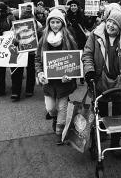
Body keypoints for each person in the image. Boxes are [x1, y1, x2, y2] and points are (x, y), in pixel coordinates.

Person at [82, 11, 121, 153]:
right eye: (109, 21)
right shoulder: (95, 35)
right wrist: (89, 71)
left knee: (118, 116)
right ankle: (100, 136)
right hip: (99, 80)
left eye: (115, 24)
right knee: (101, 113)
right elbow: (87, 55)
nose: (111, 25)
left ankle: (115, 144)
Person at [35, 9, 78, 144]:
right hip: (48, 82)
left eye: (58, 22)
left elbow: (74, 59)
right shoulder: (43, 39)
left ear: (62, 23)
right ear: (49, 23)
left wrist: (70, 75)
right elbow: (37, 59)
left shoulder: (69, 39)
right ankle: (55, 118)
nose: (55, 25)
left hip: (63, 82)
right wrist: (40, 73)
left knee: (62, 107)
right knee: (51, 109)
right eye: (52, 22)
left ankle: (60, 133)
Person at [11, 5, 42, 102]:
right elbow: (11, 38)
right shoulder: (15, 26)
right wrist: (14, 41)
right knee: (17, 72)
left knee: (31, 71)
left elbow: (41, 38)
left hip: (32, 52)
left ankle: (29, 89)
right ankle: (16, 92)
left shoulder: (39, 25)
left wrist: (38, 35)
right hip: (20, 52)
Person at [0, 2, 16, 96]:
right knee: (0, 68)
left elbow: (14, 28)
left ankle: (15, 86)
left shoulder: (10, 17)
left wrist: (6, 32)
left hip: (10, 45)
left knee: (13, 66)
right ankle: (1, 88)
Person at [66, 0, 87, 84]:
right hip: (71, 39)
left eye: (75, 6)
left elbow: (88, 25)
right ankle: (73, 77)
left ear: (78, 7)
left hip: (81, 39)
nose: (73, 7)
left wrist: (93, 17)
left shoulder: (82, 15)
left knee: (81, 58)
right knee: (72, 58)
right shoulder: (67, 16)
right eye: (72, 6)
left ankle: (82, 76)